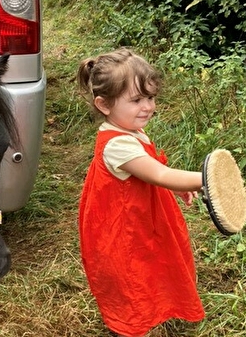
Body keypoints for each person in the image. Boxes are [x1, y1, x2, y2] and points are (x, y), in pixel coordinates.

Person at [77, 48, 205, 337]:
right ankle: (128, 328)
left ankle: (145, 315)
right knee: (131, 281)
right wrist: (205, 178)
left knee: (149, 271)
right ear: (104, 104)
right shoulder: (118, 144)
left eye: (150, 97)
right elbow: (159, 173)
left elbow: (152, 175)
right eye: (136, 100)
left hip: (139, 221)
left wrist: (176, 187)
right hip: (123, 234)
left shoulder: (130, 130)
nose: (147, 106)